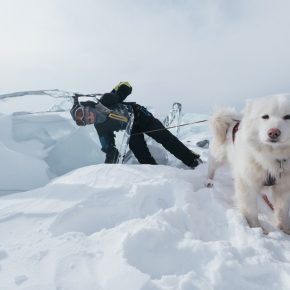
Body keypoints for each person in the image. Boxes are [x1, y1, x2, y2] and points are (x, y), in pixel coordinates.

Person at [70, 81, 201, 168]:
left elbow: (126, 86)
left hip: (141, 117)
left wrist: (118, 92)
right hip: (131, 130)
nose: (88, 119)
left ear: (87, 108)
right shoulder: (101, 128)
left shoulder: (104, 101)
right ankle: (159, 179)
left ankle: (194, 161)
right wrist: (107, 168)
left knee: (166, 139)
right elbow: (109, 149)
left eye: (86, 115)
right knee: (142, 156)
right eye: (84, 121)